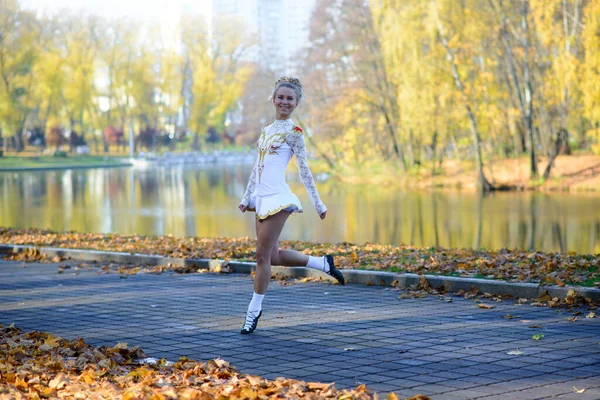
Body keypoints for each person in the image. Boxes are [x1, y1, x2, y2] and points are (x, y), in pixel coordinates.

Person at [238, 77, 345, 335]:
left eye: (290, 99)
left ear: (296, 103)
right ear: (273, 99)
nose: (284, 102)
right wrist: (246, 196)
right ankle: (322, 264)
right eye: (281, 97)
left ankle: (253, 311)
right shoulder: (266, 131)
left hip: (278, 199)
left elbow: (304, 170)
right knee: (273, 256)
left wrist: (318, 203)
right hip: (261, 198)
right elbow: (257, 167)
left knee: (261, 257)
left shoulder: (294, 134)